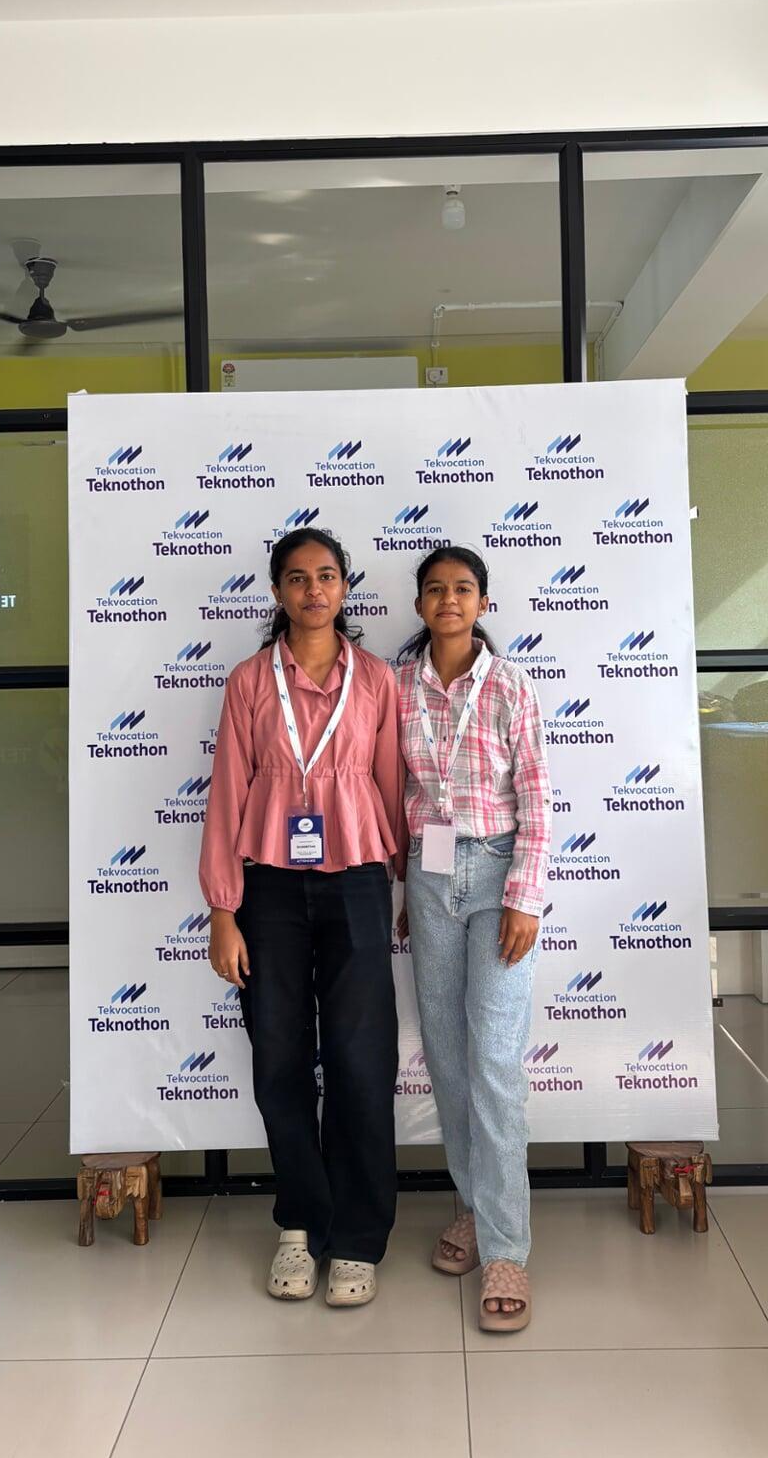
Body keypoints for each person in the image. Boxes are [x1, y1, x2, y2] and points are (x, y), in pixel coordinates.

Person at [200, 527, 403, 1307]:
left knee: (360, 1059)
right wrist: (224, 909)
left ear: (344, 587)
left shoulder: (375, 679)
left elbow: (390, 787)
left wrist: (404, 887)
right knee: (280, 1058)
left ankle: (356, 1237)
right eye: (297, 578)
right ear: (278, 591)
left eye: (326, 576)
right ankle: (300, 1221)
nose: (313, 590)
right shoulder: (250, 681)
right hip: (271, 891)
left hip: (356, 881)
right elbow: (227, 793)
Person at [396, 545, 551, 1333]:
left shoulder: (511, 685)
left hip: (496, 874)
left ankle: (507, 1247)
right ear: (420, 604)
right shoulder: (399, 686)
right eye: (435, 589)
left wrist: (524, 897)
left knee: (493, 1059)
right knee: (449, 1056)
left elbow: (538, 795)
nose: (449, 600)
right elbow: (392, 788)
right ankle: (472, 1204)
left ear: (483, 603)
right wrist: (403, 888)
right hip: (427, 877)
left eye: (463, 589)